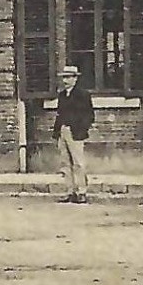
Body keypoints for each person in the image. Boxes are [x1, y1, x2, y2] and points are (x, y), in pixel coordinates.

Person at [53, 64, 94, 204]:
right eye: (64, 77)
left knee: (78, 163)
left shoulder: (83, 95)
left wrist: (81, 129)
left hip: (75, 132)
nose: (66, 81)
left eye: (69, 77)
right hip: (63, 131)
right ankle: (70, 191)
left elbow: (89, 115)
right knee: (65, 163)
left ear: (75, 79)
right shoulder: (62, 95)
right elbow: (59, 114)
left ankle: (82, 191)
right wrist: (57, 132)